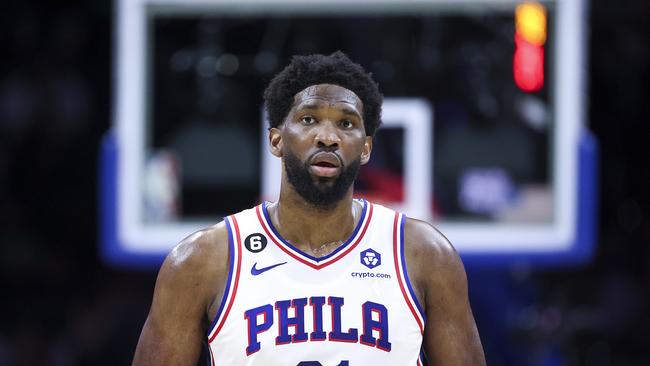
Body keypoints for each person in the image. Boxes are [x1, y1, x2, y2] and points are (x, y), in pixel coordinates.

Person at [132, 51, 485, 365]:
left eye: (346, 123)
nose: (328, 137)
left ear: (365, 148)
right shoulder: (202, 261)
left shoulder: (425, 254)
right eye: (309, 120)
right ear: (276, 139)